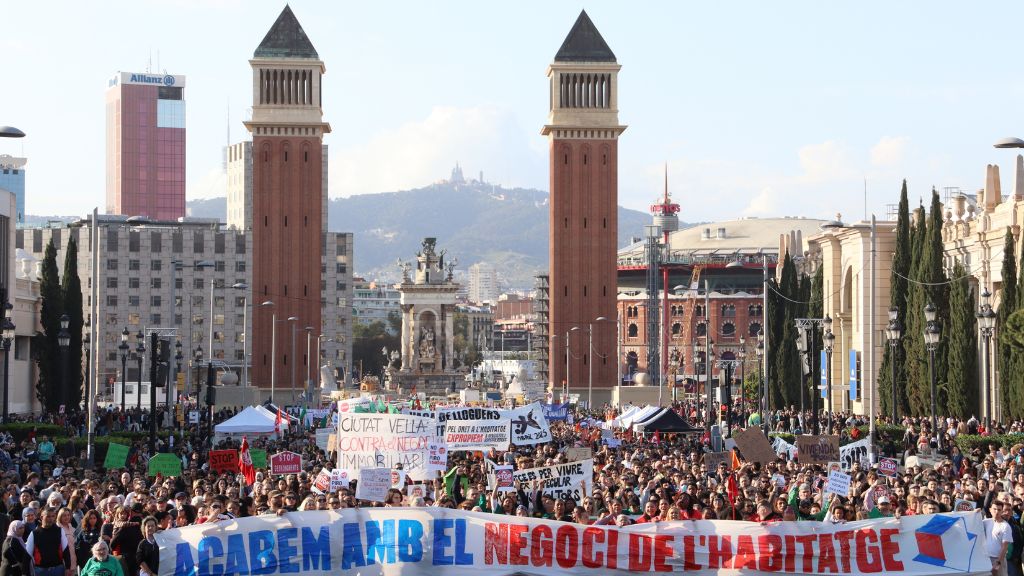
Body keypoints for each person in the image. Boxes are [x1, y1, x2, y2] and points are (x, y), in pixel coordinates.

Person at [26, 508, 71, 576]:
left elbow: (66, 550)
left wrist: (68, 568)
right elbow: (27, 555)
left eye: (53, 516)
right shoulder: (34, 533)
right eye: (48, 516)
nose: (51, 519)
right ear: (41, 517)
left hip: (58, 569)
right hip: (40, 570)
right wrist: (25, 573)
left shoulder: (60, 531)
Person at [987, 501, 1014, 576]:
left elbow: (1004, 547)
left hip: (998, 560)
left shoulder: (1005, 526)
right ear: (990, 510)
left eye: (999, 510)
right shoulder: (986, 522)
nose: (996, 512)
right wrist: (975, 512)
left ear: (1002, 511)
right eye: (994, 509)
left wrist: (998, 564)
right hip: (986, 560)